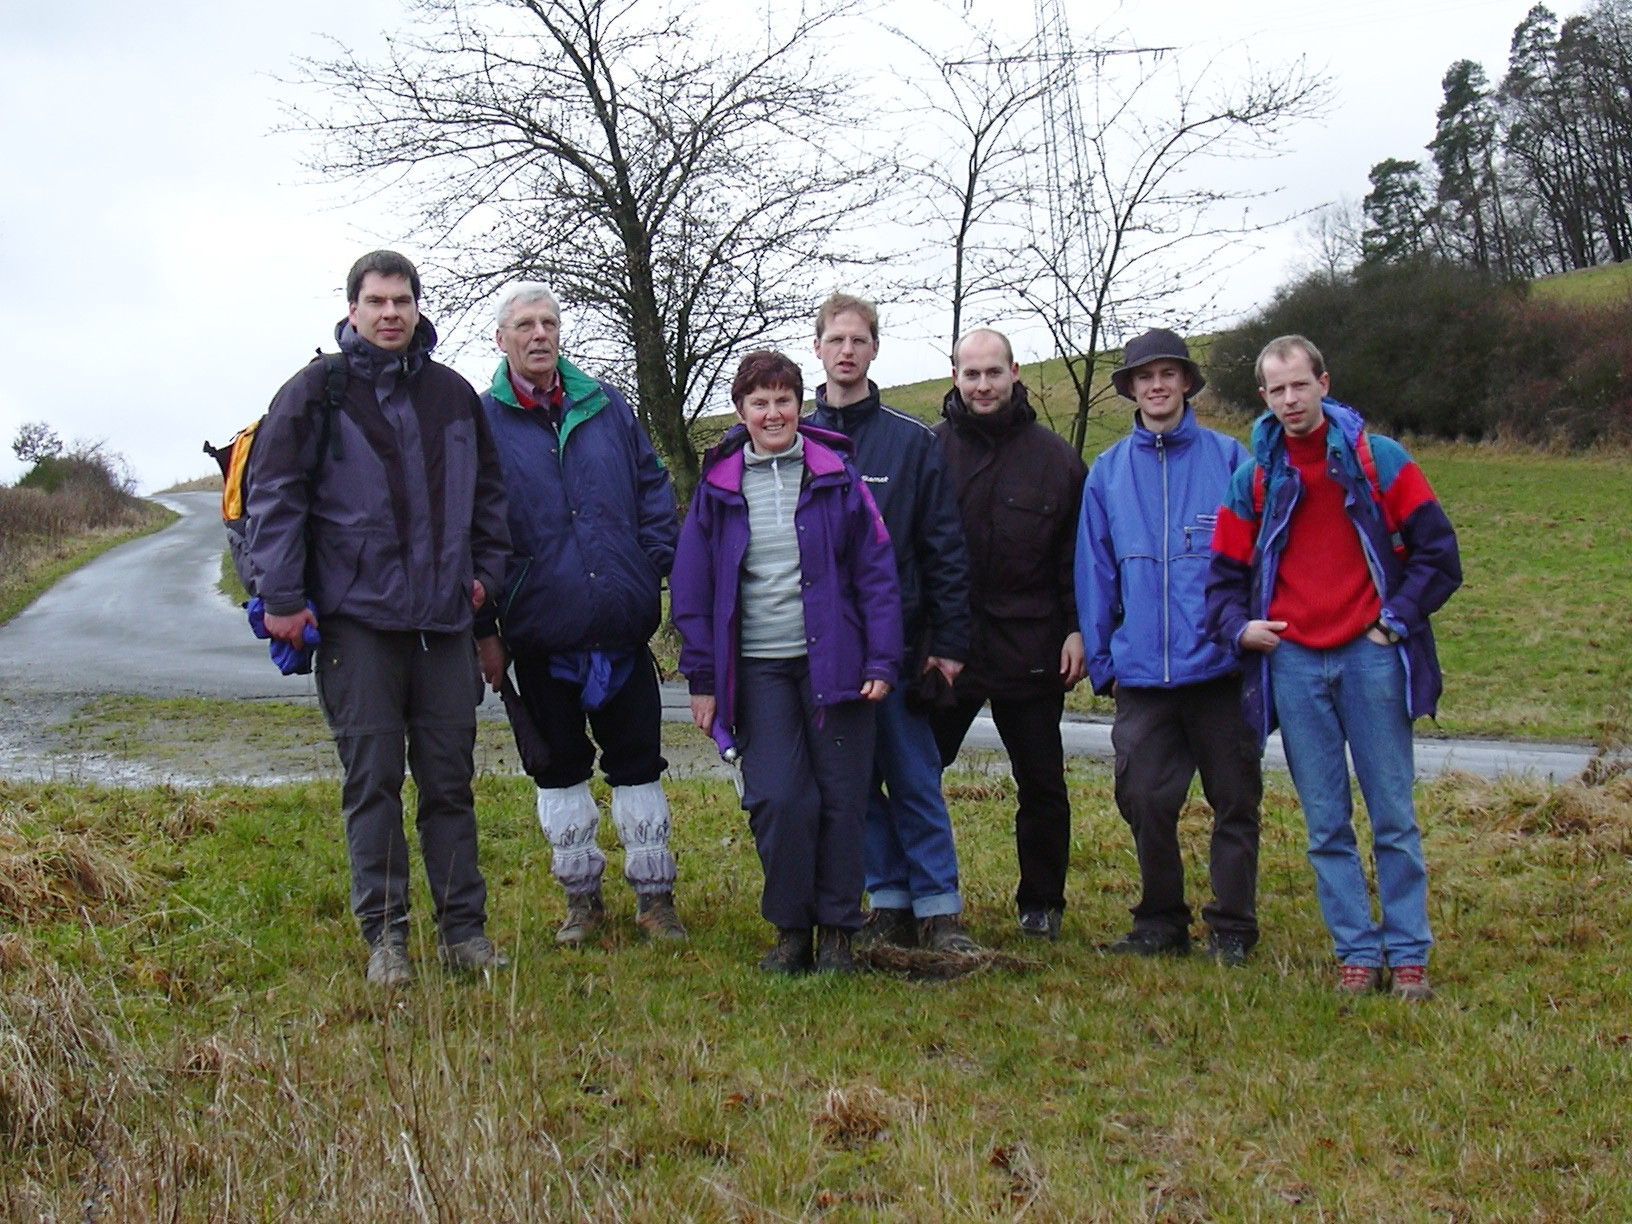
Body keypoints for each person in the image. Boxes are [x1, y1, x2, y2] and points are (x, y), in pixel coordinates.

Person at [249, 250, 511, 987]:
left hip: (443, 626)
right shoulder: (315, 392)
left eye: (402, 300)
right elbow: (275, 497)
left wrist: (486, 582)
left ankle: (464, 933)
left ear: (418, 307)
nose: (390, 313)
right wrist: (283, 597)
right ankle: (387, 940)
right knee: (373, 786)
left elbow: (490, 502)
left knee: (449, 785)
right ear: (353, 310)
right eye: (377, 301)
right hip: (357, 626)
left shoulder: (454, 395)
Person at [1207, 334, 1462, 999]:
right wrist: (1241, 629)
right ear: (1263, 397)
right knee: (1325, 824)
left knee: (1393, 817)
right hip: (1292, 663)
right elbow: (1222, 579)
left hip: (1370, 657)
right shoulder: (1253, 479)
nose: (1291, 400)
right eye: (1277, 390)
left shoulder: (1382, 461)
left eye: (1301, 385)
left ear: (1324, 383)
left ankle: (1409, 956)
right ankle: (1356, 953)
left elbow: (1440, 556)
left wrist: (1393, 622)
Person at [672, 351, 902, 974]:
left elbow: (877, 573)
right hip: (758, 670)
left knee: (842, 800)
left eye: (784, 400)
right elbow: (691, 590)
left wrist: (882, 658)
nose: (773, 413)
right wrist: (702, 679)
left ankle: (838, 933)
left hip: (838, 666)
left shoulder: (837, 477)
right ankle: (792, 929)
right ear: (741, 411)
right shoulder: (718, 488)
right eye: (760, 402)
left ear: (801, 406)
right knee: (778, 798)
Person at [474, 283, 686, 946]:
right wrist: (487, 627)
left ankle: (655, 898)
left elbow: (653, 487)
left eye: (549, 322)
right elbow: (474, 527)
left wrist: (652, 563)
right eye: (524, 325)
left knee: (639, 763)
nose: (539, 334)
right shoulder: (481, 422)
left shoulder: (607, 406)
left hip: (621, 629)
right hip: (541, 635)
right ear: (502, 340)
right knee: (559, 768)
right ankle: (581, 901)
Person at [1076, 328, 1264, 965]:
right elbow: (1094, 572)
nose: (1157, 386)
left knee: (1235, 800)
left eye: (1167, 374)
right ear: (1131, 389)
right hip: (1141, 677)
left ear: (1186, 383)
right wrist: (1103, 660)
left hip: (1219, 669)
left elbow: (1257, 563)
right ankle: (1160, 921)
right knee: (1145, 799)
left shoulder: (1231, 461)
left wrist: (1248, 643)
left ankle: (1232, 927)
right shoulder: (1107, 474)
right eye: (1144, 376)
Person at [807, 293, 980, 954]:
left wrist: (950, 644)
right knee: (854, 787)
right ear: (818, 348)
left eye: (859, 340)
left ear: (874, 350)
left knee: (913, 780)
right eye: (836, 340)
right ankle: (889, 901)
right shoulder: (797, 440)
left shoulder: (912, 442)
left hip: (901, 648)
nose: (847, 351)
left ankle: (940, 909)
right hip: (826, 651)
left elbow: (945, 550)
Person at [930, 328, 1086, 942]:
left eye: (993, 372)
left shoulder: (1057, 460)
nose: (983, 385)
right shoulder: (931, 452)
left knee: (1042, 782)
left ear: (1015, 372)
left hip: (1032, 646)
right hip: (951, 650)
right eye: (971, 374)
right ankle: (923, 897)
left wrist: (1076, 629)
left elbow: (1075, 559)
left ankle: (1042, 904)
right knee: (919, 776)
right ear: (955, 376)